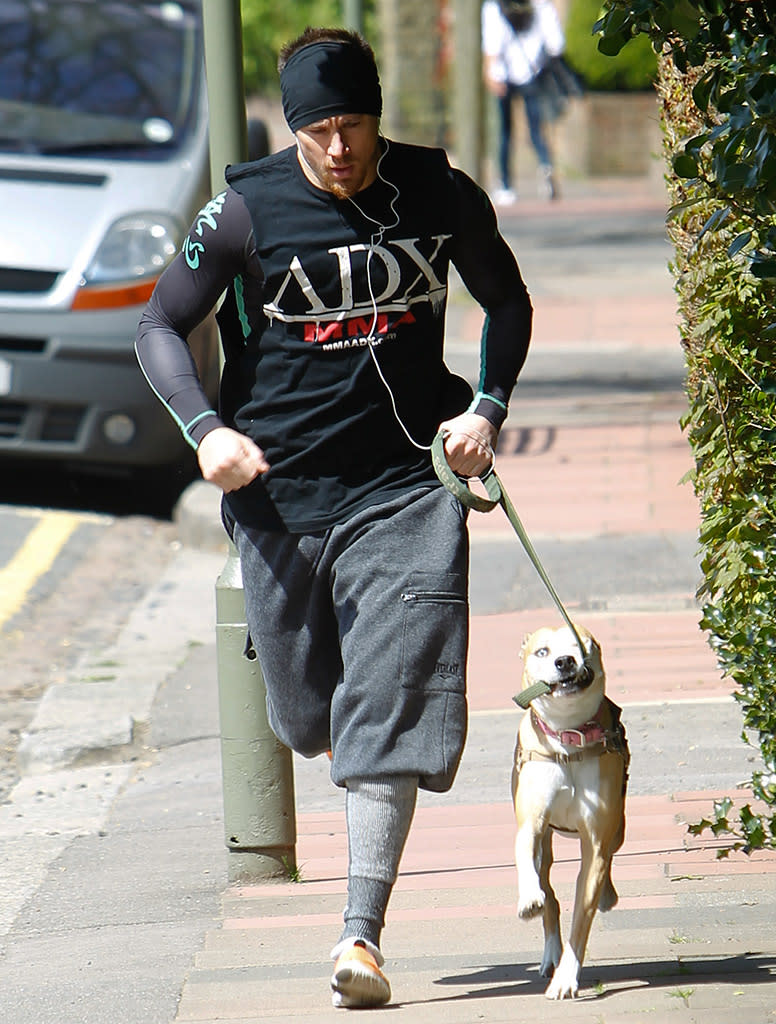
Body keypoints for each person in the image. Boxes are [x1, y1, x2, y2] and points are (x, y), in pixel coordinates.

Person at [135, 27, 532, 1009]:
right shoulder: (243, 210)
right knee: (307, 714)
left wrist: (483, 408)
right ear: (292, 127)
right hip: (276, 498)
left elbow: (506, 299)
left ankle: (360, 935)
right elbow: (157, 325)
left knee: (384, 704)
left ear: (376, 117)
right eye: (317, 132)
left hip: (404, 486)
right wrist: (204, 431)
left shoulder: (436, 192)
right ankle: (317, 719)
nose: (339, 149)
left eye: (352, 126)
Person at [481, 0, 566, 204]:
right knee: (536, 130)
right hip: (533, 73)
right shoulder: (540, 4)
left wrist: (489, 72)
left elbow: (492, 45)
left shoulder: (495, 6)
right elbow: (556, 45)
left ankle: (506, 186)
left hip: (502, 75)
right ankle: (546, 166)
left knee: (503, 133)